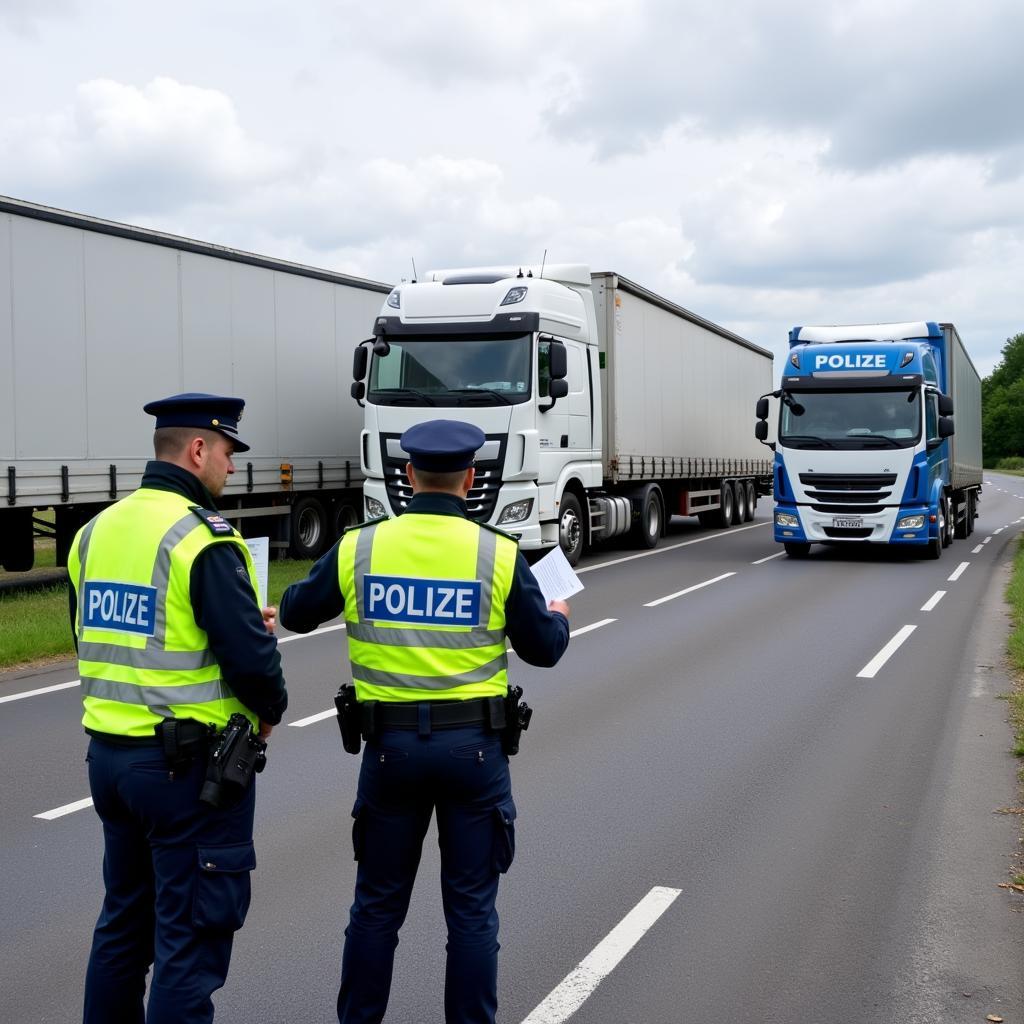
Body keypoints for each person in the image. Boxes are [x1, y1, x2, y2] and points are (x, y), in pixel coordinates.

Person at [280, 418, 570, 1024]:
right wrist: (557, 609)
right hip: (475, 754)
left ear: (408, 477)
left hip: (388, 753)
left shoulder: (360, 546)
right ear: (471, 480)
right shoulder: (496, 552)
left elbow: (296, 615)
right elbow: (544, 647)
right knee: (470, 913)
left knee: (376, 908)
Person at [68, 392, 288, 1024]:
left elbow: (92, 640)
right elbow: (250, 660)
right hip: (185, 776)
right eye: (226, 452)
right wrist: (270, 708)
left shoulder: (93, 533)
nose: (231, 466)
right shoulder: (204, 539)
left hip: (110, 763)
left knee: (121, 931)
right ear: (198, 450)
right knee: (187, 947)